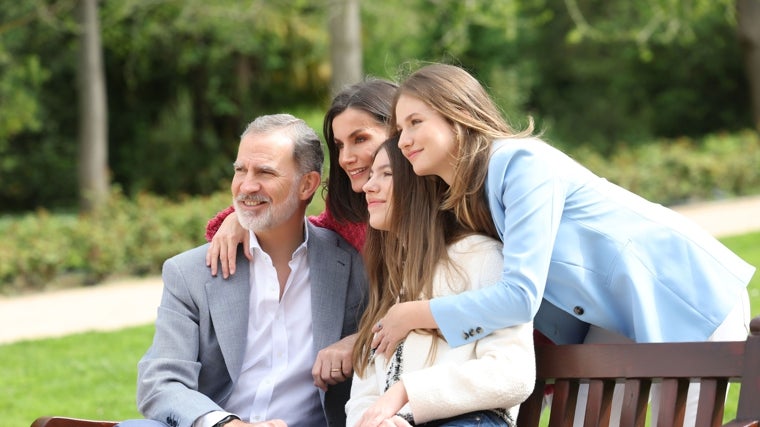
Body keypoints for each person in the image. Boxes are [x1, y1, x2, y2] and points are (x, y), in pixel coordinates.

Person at [372, 63, 755, 425]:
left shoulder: (519, 164)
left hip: (680, 291)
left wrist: (414, 314)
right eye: (399, 129)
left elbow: (520, 296)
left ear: (457, 114)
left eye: (415, 123)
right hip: (612, 316)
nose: (403, 140)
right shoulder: (471, 195)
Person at [121, 114, 369, 427]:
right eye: (240, 170)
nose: (247, 186)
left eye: (265, 172)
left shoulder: (351, 266)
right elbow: (161, 382)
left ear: (307, 184)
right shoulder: (189, 273)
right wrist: (227, 425)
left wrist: (357, 341)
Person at [203, 79, 398, 392]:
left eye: (360, 139)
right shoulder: (351, 212)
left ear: (399, 131)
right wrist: (240, 218)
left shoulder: (442, 211)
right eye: (339, 145)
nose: (346, 157)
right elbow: (308, 228)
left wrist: (359, 341)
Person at [346, 138, 534, 427]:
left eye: (386, 174)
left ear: (420, 185)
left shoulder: (479, 256)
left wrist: (409, 392)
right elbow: (366, 389)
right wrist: (374, 422)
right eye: (371, 175)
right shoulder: (393, 279)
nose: (369, 186)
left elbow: (513, 374)